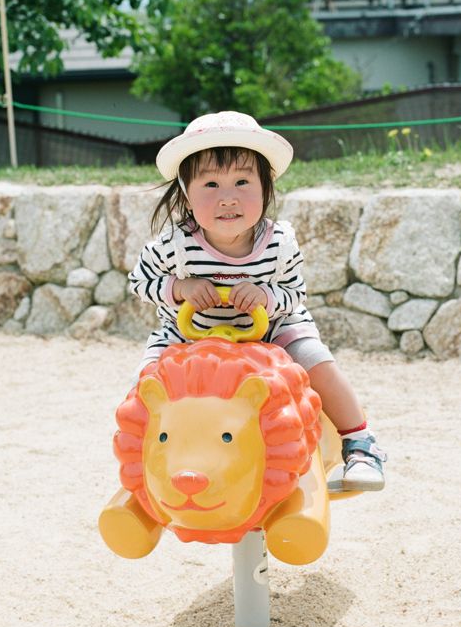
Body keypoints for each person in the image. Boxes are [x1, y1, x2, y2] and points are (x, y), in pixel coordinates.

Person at [127, 110, 388, 491]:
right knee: (144, 383)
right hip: (190, 333)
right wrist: (179, 289)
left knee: (315, 359)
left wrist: (266, 295)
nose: (227, 197)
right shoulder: (175, 244)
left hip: (272, 327)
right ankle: (143, 459)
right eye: (211, 185)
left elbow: (295, 292)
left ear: (266, 188)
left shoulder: (279, 242)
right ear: (186, 193)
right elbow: (139, 281)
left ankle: (360, 442)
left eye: (242, 181)